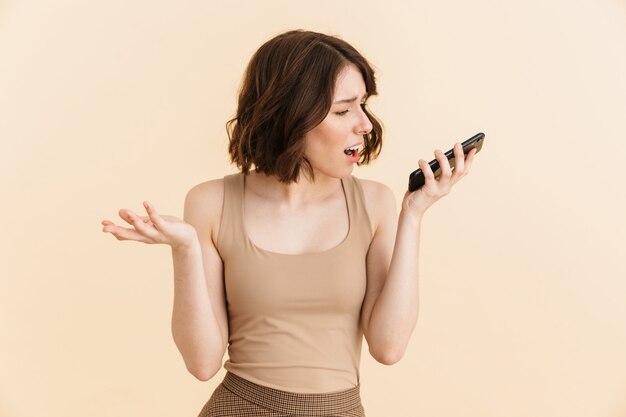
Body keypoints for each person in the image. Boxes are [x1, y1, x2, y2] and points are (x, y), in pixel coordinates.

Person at [101, 29, 476, 417]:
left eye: (364, 105)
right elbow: (202, 363)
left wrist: (413, 215)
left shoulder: (376, 203)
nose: (364, 125)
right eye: (343, 110)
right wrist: (185, 249)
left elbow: (388, 347)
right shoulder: (212, 202)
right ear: (292, 114)